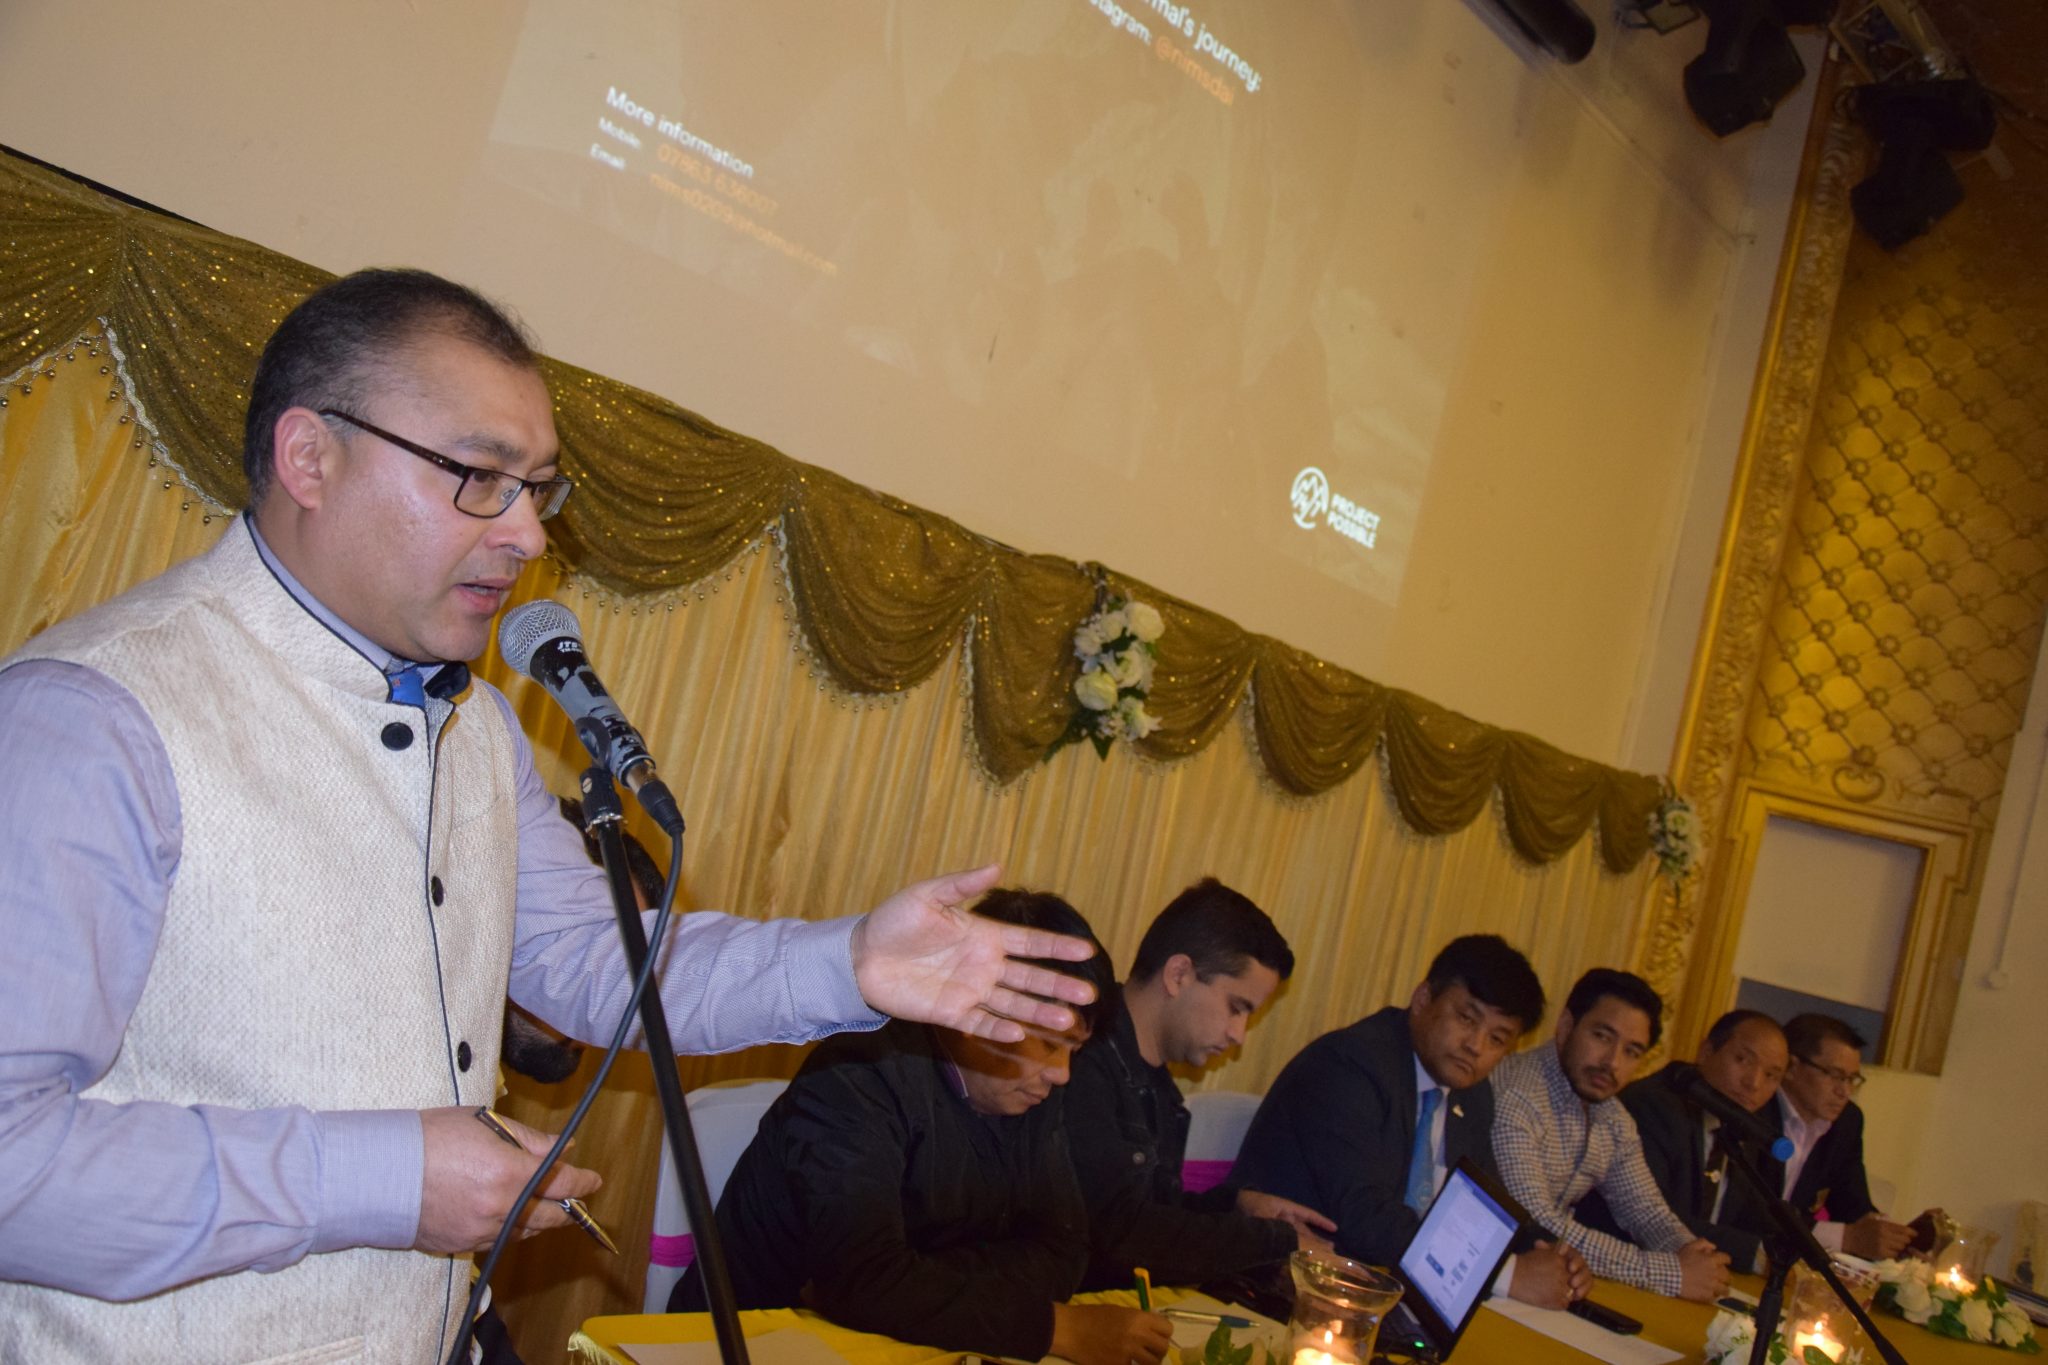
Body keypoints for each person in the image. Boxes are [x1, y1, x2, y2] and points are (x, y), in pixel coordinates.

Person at [0, 269, 1098, 1362]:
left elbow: (593, 960)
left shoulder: (477, 726)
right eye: (480, 477)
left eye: (537, 488)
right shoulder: (96, 716)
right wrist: (393, 1179)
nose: (528, 534)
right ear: (310, 458)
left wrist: (850, 963)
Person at [672, 890, 1173, 1365]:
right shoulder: (858, 1074)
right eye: (1047, 1043)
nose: (1061, 1074)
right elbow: (865, 1281)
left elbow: (1064, 1252)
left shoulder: (1033, 1092)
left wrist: (914, 1285)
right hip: (741, 1342)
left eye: (1074, 1050)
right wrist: (1057, 1330)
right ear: (977, 1008)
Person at [1231, 935, 1591, 1309]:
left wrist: (1549, 1253)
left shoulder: (1472, 1094)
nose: (1476, 1046)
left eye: (1497, 1039)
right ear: (1422, 999)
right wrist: (1508, 1276)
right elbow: (1366, 1219)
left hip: (1382, 1290)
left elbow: (1484, 1205)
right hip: (1282, 1287)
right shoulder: (1350, 1066)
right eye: (1466, 1019)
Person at [1063, 877, 1313, 1290]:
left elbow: (1157, 1213)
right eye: (1236, 1008)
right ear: (1179, 974)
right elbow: (1118, 1236)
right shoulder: (1079, 1060)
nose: (1239, 1035)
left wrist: (1236, 1205)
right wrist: (1275, 1241)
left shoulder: (1156, 1085)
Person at [1491, 968, 1732, 1302]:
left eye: (1632, 1051)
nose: (1612, 1062)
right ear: (1566, 1026)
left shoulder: (1613, 1117)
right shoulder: (1518, 1094)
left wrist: (1693, 1255)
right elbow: (1536, 1220)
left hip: (1547, 1284)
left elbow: (1647, 1211)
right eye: (1602, 1037)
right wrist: (1673, 1274)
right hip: (1494, 1276)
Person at [1577, 1009, 1789, 1273]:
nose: (1754, 1083)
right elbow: (1652, 1218)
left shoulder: (1750, 1131)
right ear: (1706, 1052)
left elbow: (1757, 1220)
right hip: (1612, 1268)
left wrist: (1787, 1250)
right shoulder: (1654, 1105)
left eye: (1771, 1076)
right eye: (1743, 1060)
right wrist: (1757, 1254)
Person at [1758, 1013, 1915, 1259]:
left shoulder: (1846, 1122)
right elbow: (1751, 1212)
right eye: (1835, 1076)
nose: (1845, 1091)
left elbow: (1852, 1206)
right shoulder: (1755, 1106)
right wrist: (1846, 1238)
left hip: (1785, 1260)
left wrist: (1898, 1241)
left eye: (1852, 1079)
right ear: (1791, 1067)